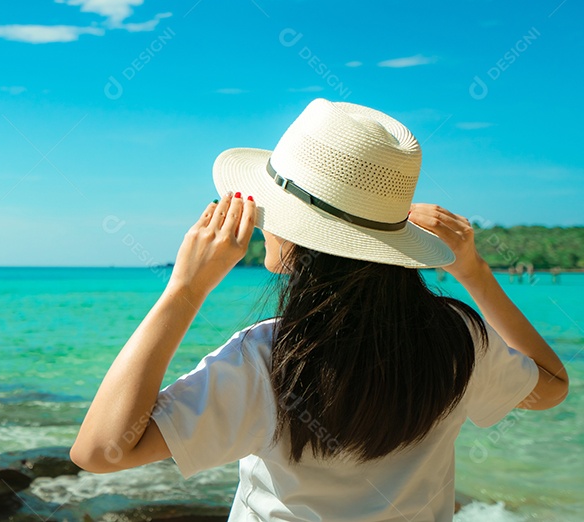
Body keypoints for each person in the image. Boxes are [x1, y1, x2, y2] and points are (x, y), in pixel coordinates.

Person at [69, 99, 568, 521]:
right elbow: (550, 386)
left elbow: (100, 451)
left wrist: (184, 289)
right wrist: (474, 272)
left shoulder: (269, 357)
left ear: (301, 235)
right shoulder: (459, 339)